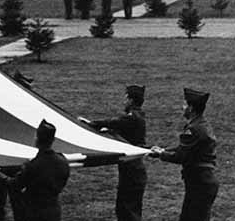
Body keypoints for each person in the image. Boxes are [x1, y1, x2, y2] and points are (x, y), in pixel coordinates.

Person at [150, 88, 218, 221]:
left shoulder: (193, 129)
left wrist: (161, 154)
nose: (182, 107)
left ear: (191, 108)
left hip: (199, 184)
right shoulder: (202, 124)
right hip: (204, 182)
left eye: (185, 105)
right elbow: (184, 149)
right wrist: (164, 150)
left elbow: (181, 156)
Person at [0, 120, 70, 221]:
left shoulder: (33, 165)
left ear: (36, 139)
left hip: (32, 212)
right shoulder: (62, 160)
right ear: (53, 139)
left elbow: (14, 184)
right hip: (53, 211)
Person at [90, 85, 147, 221]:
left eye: (126, 98)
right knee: (126, 207)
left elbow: (113, 122)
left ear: (131, 100)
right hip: (133, 167)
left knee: (127, 209)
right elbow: (122, 132)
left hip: (132, 168)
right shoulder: (136, 116)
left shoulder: (132, 117)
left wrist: (93, 123)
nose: (124, 101)